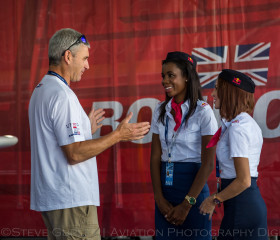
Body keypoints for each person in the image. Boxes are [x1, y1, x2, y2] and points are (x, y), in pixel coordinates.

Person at [28, 28, 150, 240]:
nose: (87, 65)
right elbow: (74, 154)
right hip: (71, 202)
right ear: (68, 56)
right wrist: (117, 135)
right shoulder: (62, 95)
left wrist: (86, 130)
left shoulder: (41, 90)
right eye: (84, 58)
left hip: (58, 201)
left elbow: (55, 142)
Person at [150, 51, 218, 240]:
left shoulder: (204, 112)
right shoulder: (159, 109)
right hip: (165, 193)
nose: (165, 81)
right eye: (163, 76)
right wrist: (159, 199)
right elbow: (155, 157)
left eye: (171, 75)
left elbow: (208, 164)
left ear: (187, 77)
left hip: (193, 193)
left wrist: (187, 205)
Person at [199, 69, 268, 240]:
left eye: (217, 89)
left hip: (242, 206)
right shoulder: (245, 123)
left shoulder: (237, 128)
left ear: (229, 93)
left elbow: (243, 180)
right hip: (246, 203)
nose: (212, 94)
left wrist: (214, 199)